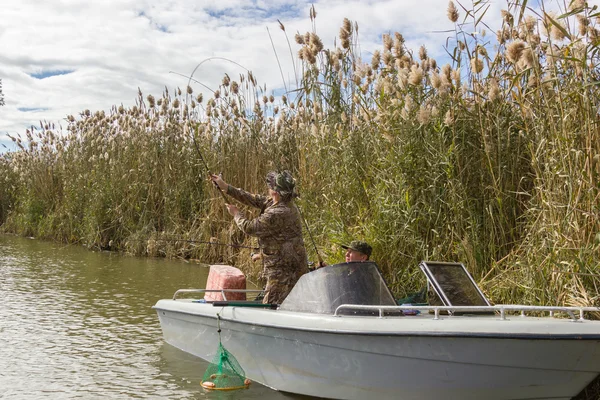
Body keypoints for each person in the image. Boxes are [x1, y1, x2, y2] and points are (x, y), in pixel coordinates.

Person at [210, 171, 307, 304]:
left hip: (283, 271)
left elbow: (250, 228)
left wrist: (236, 214)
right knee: (285, 305)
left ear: (275, 192)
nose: (268, 188)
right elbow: (251, 198)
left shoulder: (277, 212)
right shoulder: (279, 202)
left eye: (271, 186)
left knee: (271, 306)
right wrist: (225, 187)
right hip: (287, 264)